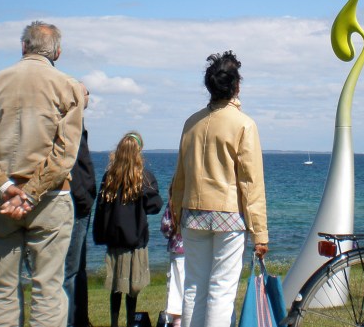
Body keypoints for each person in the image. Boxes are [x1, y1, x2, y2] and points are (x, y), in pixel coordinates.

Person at [0, 20, 85, 327]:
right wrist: (30, 193)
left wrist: (4, 186)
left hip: (3, 197)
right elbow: (65, 152)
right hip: (51, 197)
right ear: (58, 51)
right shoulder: (68, 86)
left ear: (23, 47)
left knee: (1, 288)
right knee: (48, 289)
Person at [171, 51, 269, 327]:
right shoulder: (244, 124)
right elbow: (251, 182)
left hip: (192, 212)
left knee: (194, 287)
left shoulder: (192, 123)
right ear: (236, 85)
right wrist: (260, 232)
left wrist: (177, 213)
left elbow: (180, 176)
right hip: (229, 215)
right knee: (221, 291)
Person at [93, 131, 163, 327]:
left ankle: (114, 322)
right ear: (138, 151)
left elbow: (100, 209)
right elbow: (155, 205)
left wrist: (99, 235)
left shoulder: (109, 177)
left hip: (114, 241)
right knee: (133, 288)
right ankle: (131, 321)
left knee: (116, 286)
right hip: (135, 241)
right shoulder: (143, 177)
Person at [64, 84, 97, 327]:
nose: (89, 96)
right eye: (86, 92)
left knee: (78, 268)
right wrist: (83, 195)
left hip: (80, 201)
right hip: (75, 202)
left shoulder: (77, 122)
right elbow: (73, 164)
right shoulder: (69, 123)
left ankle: (80, 318)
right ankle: (69, 321)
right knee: (69, 271)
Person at [160, 187, 184, 327]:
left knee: (176, 291)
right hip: (194, 251)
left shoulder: (173, 205)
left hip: (177, 251)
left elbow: (165, 227)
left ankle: (177, 322)